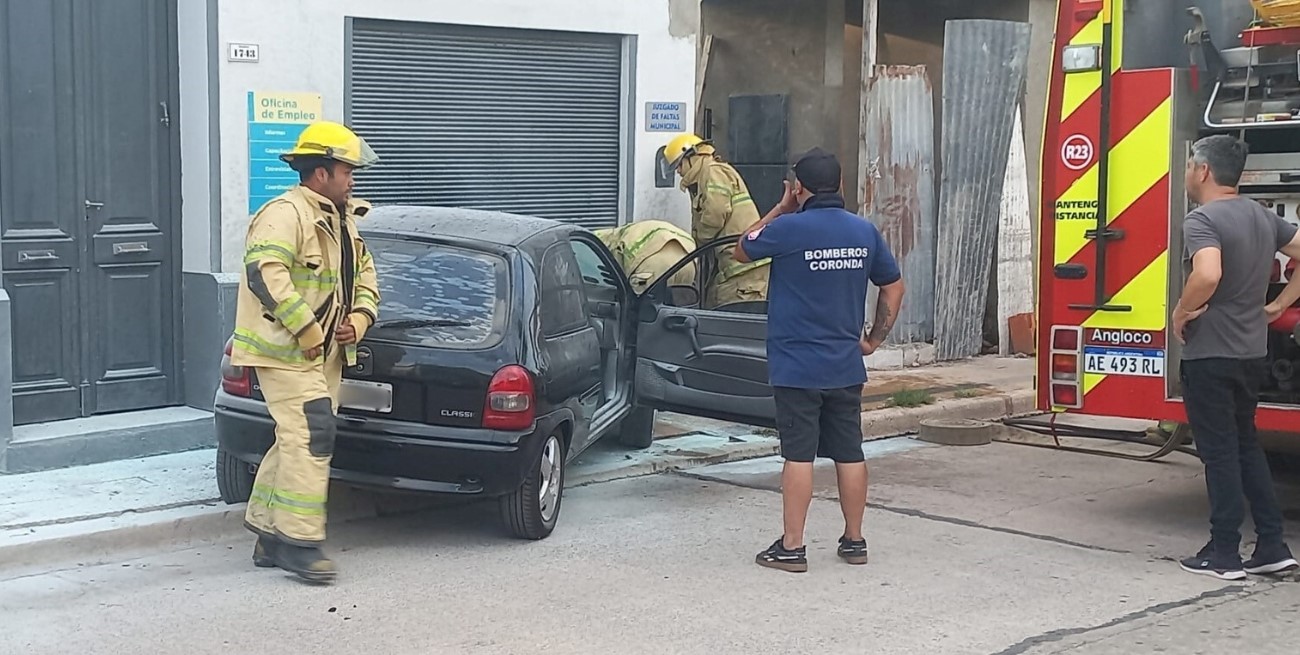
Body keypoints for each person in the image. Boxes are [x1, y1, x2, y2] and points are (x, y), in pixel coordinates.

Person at [734, 147, 905, 573]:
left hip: (797, 366)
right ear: (842, 184)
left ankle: (792, 548)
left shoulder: (789, 229)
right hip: (845, 364)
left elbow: (741, 249)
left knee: (799, 456)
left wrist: (780, 207)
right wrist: (873, 340)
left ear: (799, 187)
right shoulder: (863, 232)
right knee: (850, 452)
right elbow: (893, 287)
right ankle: (854, 540)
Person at [231, 120, 382, 583]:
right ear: (321, 173)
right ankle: (299, 543)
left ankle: (267, 533)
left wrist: (358, 319)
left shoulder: (343, 220)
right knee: (312, 434)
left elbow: (366, 278)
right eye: (347, 170)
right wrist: (307, 328)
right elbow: (265, 273)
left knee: (294, 438)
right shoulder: (285, 214)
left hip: (323, 357)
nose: (352, 179)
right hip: (285, 352)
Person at [1173, 134, 1298, 580]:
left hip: (1211, 354)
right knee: (1246, 446)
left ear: (1203, 171)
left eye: (1190, 164)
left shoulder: (1202, 220)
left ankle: (1223, 551)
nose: (1188, 171)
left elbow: (1207, 272)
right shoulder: (1263, 217)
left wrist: (1182, 312)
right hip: (1251, 353)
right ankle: (1271, 544)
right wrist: (1279, 306)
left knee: (1219, 452)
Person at [663, 133, 770, 308]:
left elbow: (715, 213)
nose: (678, 171)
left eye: (679, 164)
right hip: (734, 265)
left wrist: (698, 241)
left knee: (729, 324)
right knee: (713, 307)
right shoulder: (706, 176)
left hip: (743, 267)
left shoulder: (713, 172)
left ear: (692, 157)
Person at [594, 219, 697, 294]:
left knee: (644, 309)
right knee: (679, 306)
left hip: (656, 265)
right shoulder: (632, 231)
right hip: (688, 261)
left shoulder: (603, 243)